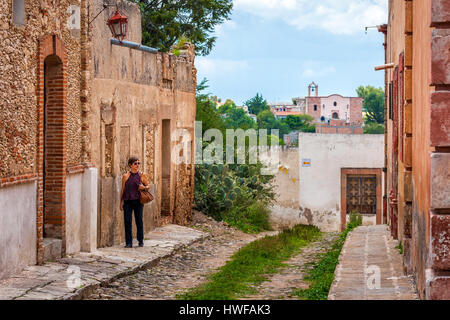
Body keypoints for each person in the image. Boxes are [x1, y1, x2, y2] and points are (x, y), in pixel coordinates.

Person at [120, 156, 150, 248]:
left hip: (138, 201)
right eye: (135, 163)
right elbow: (122, 190)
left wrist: (144, 187)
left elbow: (148, 186)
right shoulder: (125, 176)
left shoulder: (142, 175)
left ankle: (140, 240)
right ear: (130, 165)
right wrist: (120, 203)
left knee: (139, 221)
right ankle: (129, 243)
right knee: (127, 222)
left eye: (138, 163)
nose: (137, 165)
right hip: (127, 201)